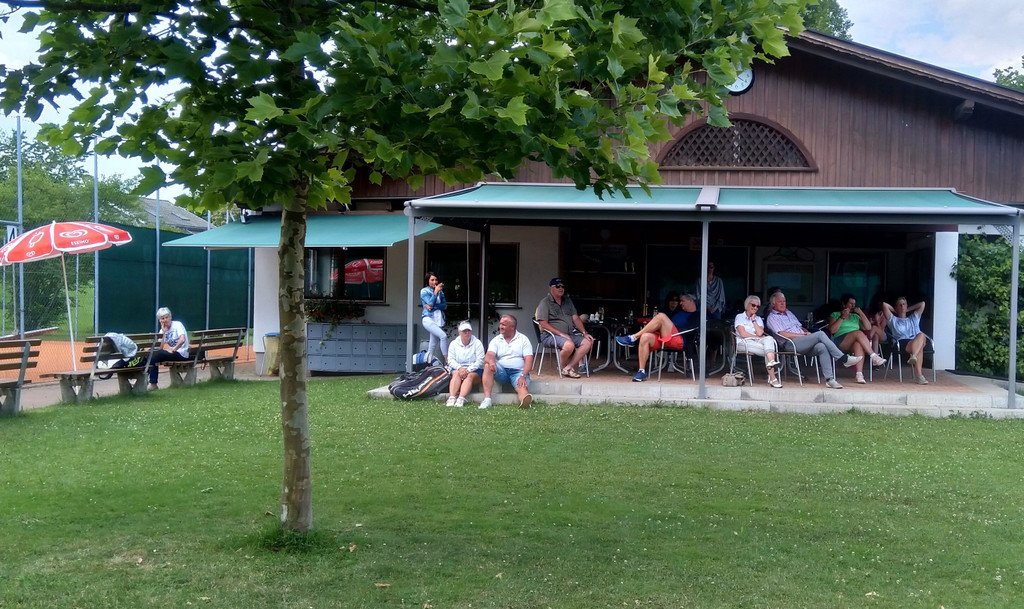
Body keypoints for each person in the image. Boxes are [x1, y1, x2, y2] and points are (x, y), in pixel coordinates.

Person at [765, 291, 863, 389]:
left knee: (822, 347)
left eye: (784, 301)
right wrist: (803, 335)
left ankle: (830, 380)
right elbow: (782, 333)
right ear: (773, 304)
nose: (783, 304)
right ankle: (843, 359)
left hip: (803, 341)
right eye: (780, 302)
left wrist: (807, 333)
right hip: (790, 344)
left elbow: (800, 327)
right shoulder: (772, 317)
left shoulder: (789, 313)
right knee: (820, 334)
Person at [615, 293, 699, 382]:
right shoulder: (679, 312)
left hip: (679, 339)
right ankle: (641, 372)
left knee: (661, 316)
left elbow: (690, 330)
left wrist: (668, 327)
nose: (680, 303)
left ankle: (633, 337)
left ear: (690, 301)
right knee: (645, 337)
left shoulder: (697, 314)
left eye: (682, 301)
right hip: (666, 337)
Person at [536, 277, 593, 379]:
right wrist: (560, 333)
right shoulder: (545, 302)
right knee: (569, 345)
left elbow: (575, 318)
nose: (561, 288)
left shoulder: (567, 301)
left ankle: (568, 367)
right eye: (558, 286)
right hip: (550, 335)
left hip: (569, 334)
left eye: (562, 286)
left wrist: (584, 333)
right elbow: (543, 323)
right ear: (551, 288)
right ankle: (562, 366)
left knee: (588, 342)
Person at [828, 293, 888, 384]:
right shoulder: (835, 314)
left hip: (853, 341)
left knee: (858, 344)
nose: (853, 306)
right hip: (840, 341)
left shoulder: (855, 316)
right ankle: (873, 356)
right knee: (858, 332)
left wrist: (861, 313)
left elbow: (868, 327)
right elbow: (832, 330)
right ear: (844, 304)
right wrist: (842, 317)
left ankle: (859, 374)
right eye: (851, 303)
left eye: (854, 304)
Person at [480, 315, 534, 409]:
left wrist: (523, 375)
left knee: (522, 387)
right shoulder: (496, 340)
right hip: (502, 372)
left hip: (518, 372)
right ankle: (487, 400)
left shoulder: (523, 339)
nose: (500, 327)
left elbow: (529, 359)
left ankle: (525, 402)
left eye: (503, 325)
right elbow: (489, 355)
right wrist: (492, 362)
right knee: (487, 365)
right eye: (500, 324)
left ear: (512, 327)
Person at [734, 295, 783, 388]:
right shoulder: (740, 317)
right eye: (753, 305)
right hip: (743, 342)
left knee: (769, 339)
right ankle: (773, 377)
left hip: (757, 342)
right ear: (747, 305)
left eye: (757, 306)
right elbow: (743, 334)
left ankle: (771, 364)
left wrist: (754, 321)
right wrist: (756, 336)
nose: (755, 308)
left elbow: (760, 333)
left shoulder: (758, 319)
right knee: (769, 351)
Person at [882, 297, 930, 384]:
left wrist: (907, 310)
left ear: (907, 306)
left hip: (916, 341)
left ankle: (914, 356)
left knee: (921, 335)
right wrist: (897, 311)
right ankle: (919, 376)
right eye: (900, 305)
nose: (902, 306)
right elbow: (884, 305)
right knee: (920, 346)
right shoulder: (893, 320)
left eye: (904, 304)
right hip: (902, 343)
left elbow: (922, 303)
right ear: (896, 307)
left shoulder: (913, 318)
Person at [445, 321, 486, 407]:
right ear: (459, 332)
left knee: (469, 376)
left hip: (474, 370)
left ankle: (461, 398)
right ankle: (452, 397)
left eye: (468, 330)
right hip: (458, 369)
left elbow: (480, 361)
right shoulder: (453, 344)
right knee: (456, 374)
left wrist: (468, 370)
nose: (467, 333)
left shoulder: (477, 343)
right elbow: (450, 360)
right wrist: (460, 368)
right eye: (464, 331)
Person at [148, 307, 189, 390]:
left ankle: (152, 383)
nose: (165, 320)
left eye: (167, 317)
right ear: (160, 320)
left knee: (153, 354)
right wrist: (163, 333)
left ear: (170, 317)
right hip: (172, 353)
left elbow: (182, 339)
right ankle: (152, 382)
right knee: (151, 354)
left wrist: (173, 350)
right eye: (162, 318)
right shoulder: (162, 330)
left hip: (181, 353)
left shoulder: (177, 324)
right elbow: (160, 348)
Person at [420, 272, 448, 364]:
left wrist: (434, 307)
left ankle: (426, 363)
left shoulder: (441, 292)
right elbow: (430, 303)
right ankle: (448, 361)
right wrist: (435, 293)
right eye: (432, 280)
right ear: (427, 281)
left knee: (432, 344)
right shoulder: (424, 291)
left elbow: (444, 306)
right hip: (428, 318)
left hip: (438, 319)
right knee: (443, 336)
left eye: (436, 280)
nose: (435, 282)